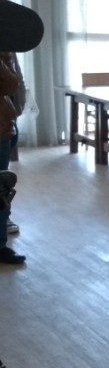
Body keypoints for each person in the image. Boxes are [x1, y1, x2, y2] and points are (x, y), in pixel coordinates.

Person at [0, 52, 25, 264]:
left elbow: (13, 86)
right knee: (1, 189)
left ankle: (0, 245)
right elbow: (10, 84)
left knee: (2, 189)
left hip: (3, 124)